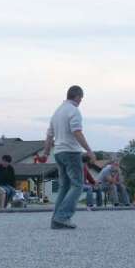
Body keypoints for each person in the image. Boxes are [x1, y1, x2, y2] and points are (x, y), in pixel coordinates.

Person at [43, 85, 96, 229]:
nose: (81, 101)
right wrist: (89, 150)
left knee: (64, 186)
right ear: (77, 97)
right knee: (77, 185)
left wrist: (46, 152)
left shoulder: (57, 111)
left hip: (58, 153)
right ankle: (62, 217)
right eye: (81, 99)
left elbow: (49, 135)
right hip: (71, 152)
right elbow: (77, 132)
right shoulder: (74, 111)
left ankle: (56, 219)